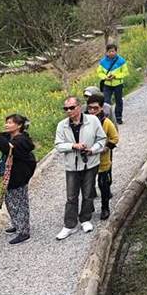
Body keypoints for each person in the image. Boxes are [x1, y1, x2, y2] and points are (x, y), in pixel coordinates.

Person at [54, 96, 106, 240]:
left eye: (71, 107)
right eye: (66, 109)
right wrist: (73, 146)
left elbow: (102, 139)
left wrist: (92, 150)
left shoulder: (93, 120)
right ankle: (69, 225)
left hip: (90, 163)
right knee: (71, 196)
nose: (69, 111)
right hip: (72, 166)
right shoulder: (62, 125)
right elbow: (58, 145)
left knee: (88, 193)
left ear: (79, 107)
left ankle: (85, 219)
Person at [0, 114, 36, 244]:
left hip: (20, 176)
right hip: (11, 175)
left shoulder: (22, 140)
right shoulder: (9, 136)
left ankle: (24, 231)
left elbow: (8, 148)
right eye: (6, 122)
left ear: (19, 125)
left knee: (20, 203)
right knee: (10, 201)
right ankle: (17, 224)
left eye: (10, 122)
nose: (6, 125)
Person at [86, 95, 117, 220]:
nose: (92, 111)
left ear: (101, 108)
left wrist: (106, 148)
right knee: (87, 185)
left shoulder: (106, 122)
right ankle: (88, 207)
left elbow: (115, 138)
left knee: (103, 184)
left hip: (102, 160)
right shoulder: (84, 121)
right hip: (88, 160)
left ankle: (105, 208)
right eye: (90, 108)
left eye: (95, 108)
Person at [97, 43, 128, 124]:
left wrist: (115, 76)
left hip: (118, 84)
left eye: (113, 51)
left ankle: (118, 118)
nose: (111, 53)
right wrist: (105, 77)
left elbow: (125, 72)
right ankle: (107, 119)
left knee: (119, 101)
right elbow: (99, 72)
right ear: (107, 52)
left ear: (116, 51)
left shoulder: (121, 61)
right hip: (107, 85)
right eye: (110, 51)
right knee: (106, 102)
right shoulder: (103, 62)